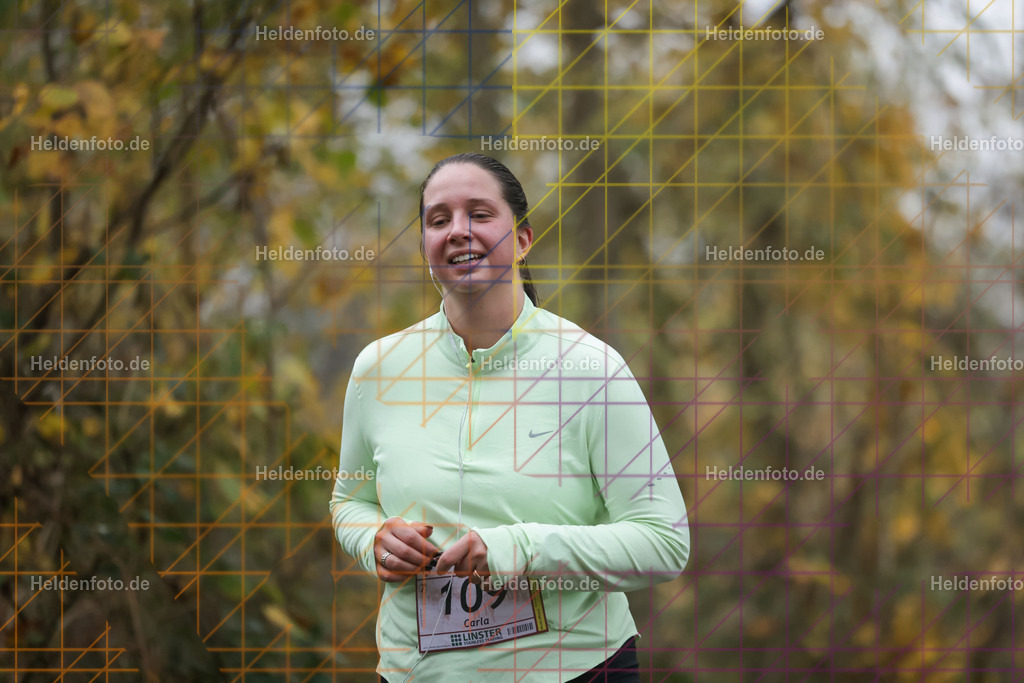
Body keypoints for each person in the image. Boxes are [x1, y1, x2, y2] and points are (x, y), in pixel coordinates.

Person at [329, 153, 689, 682]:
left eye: (479, 214)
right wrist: (373, 539)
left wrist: (517, 548)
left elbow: (663, 542)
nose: (457, 231)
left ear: (522, 240)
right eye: (438, 219)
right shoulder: (377, 370)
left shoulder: (589, 367)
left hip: (576, 671)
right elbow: (349, 500)